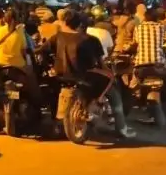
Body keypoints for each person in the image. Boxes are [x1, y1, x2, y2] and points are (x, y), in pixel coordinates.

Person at [44, 9, 134, 139]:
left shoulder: (58, 36)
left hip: (61, 75)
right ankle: (122, 128)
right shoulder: (90, 40)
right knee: (113, 90)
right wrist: (110, 73)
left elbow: (42, 50)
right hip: (85, 75)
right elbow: (101, 63)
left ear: (65, 22)